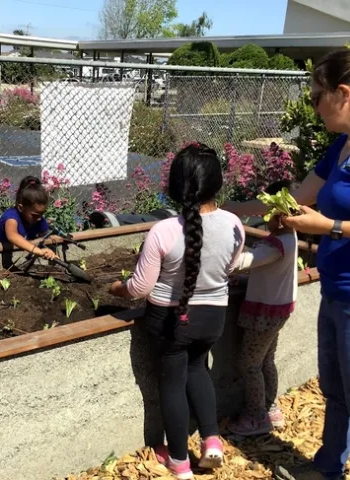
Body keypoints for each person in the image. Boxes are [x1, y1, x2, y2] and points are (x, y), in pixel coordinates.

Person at [225, 49, 350, 480]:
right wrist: (226, 208)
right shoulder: (339, 147)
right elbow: (298, 196)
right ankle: (328, 468)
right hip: (336, 289)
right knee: (335, 389)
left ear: (343, 93)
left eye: (318, 96)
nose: (314, 105)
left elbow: (323, 217)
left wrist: (329, 226)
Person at [109, 143, 245, 479]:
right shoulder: (234, 224)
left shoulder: (163, 231)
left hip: (171, 321)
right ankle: (212, 442)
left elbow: (140, 288)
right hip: (213, 316)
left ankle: (180, 461)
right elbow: (232, 266)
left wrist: (118, 288)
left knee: (172, 384)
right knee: (199, 369)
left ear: (175, 185)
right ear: (216, 184)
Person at [226, 180, 298, 437]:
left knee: (248, 364)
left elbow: (245, 261)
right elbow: (269, 273)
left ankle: (256, 417)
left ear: (278, 214)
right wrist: (245, 280)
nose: (263, 218)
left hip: (264, 314)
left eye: (265, 213)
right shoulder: (288, 238)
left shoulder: (276, 245)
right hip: (276, 309)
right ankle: (270, 408)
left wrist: (223, 255)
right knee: (266, 359)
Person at [0, 175, 57, 261]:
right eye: (35, 215)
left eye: (42, 214)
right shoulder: (11, 218)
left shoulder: (37, 219)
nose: (39, 218)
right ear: (21, 208)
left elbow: (45, 236)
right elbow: (12, 236)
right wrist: (38, 251)